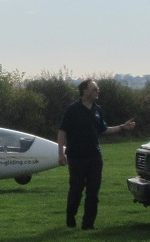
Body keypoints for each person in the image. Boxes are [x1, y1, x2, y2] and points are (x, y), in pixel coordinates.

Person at [57, 80, 135, 230]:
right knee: (76, 190)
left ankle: (88, 224)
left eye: (97, 89)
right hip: (76, 157)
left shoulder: (97, 109)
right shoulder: (72, 110)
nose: (97, 91)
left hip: (95, 156)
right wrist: (61, 153)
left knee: (93, 192)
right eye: (94, 89)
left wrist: (122, 127)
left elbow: (103, 129)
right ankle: (70, 218)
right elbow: (62, 132)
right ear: (84, 91)